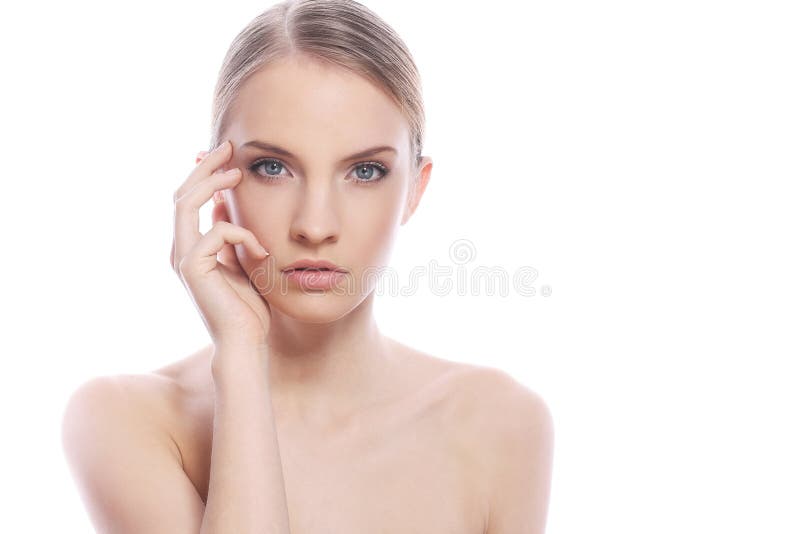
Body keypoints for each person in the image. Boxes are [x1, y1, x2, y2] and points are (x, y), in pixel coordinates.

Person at [61, 1, 554, 532]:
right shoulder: (125, 419)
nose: (315, 226)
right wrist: (243, 355)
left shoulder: (499, 422)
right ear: (215, 183)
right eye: (273, 167)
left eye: (365, 171)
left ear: (415, 188)